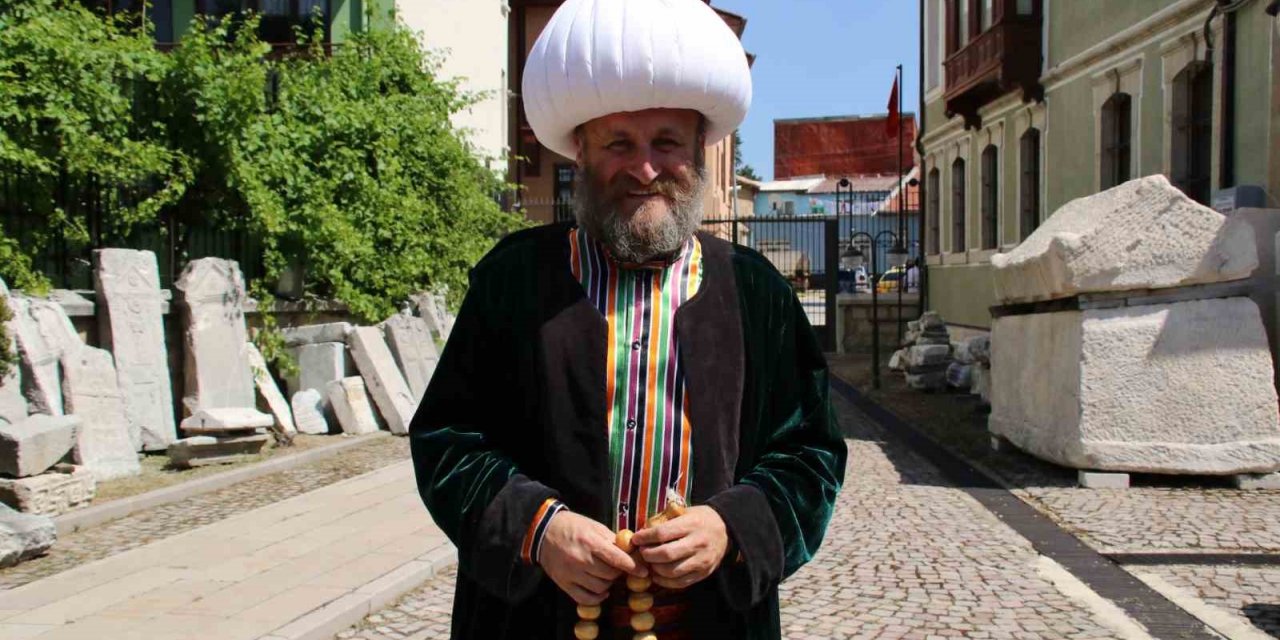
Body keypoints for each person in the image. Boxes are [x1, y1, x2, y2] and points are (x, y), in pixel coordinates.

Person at [409, 1, 847, 638]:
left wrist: (733, 526)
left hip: (711, 622)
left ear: (699, 149)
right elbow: (447, 438)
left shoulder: (756, 294)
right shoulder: (515, 281)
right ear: (581, 151)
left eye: (666, 142)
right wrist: (540, 528)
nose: (645, 168)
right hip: (534, 622)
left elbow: (810, 452)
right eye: (619, 143)